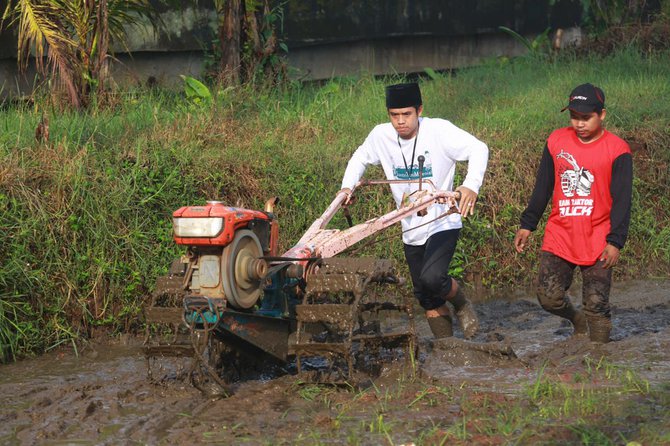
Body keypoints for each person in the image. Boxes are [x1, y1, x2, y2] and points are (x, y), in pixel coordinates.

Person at [339, 82, 489, 339]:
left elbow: (479, 148)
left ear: (419, 110)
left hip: (442, 220)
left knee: (432, 277)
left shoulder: (439, 131)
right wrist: (346, 188)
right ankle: (447, 349)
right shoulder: (380, 136)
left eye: (406, 114)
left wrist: (470, 185)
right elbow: (360, 158)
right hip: (410, 226)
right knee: (425, 295)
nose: (400, 122)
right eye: (394, 115)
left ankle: (462, 303)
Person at [513, 83, 633, 343]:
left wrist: (615, 241)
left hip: (599, 236)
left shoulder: (617, 149)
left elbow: (623, 200)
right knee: (548, 296)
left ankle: (600, 360)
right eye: (574, 117)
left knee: (596, 304)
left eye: (586, 117)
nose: (579, 124)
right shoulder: (556, 141)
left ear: (602, 115)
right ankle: (577, 320)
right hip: (561, 234)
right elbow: (543, 185)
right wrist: (528, 223)